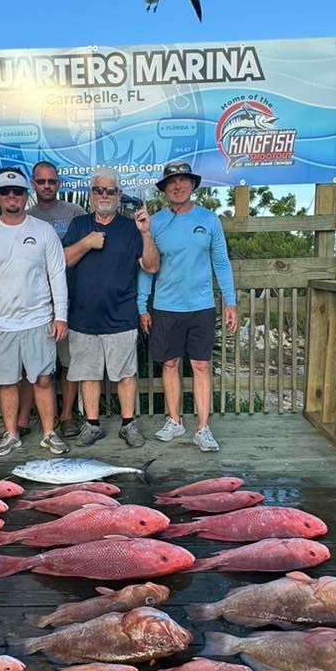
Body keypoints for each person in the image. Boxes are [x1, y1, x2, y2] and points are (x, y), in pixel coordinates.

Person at [0, 167, 69, 458]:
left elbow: (57, 275)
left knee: (44, 379)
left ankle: (49, 434)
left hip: (39, 319)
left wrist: (60, 315)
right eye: (5, 191)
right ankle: (11, 434)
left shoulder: (43, 231)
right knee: (6, 382)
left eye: (18, 191)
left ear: (27, 195)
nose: (11, 196)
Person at [136, 159, 237, 452]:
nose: (178, 186)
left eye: (183, 181)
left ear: (192, 185)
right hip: (166, 307)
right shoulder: (153, 222)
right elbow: (146, 267)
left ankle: (203, 428)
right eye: (172, 182)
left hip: (201, 306)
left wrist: (230, 301)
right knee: (169, 364)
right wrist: (142, 305)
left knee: (201, 366)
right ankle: (174, 420)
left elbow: (221, 262)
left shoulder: (209, 220)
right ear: (165, 189)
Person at [62, 166, 159, 449]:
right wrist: (87, 243)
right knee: (88, 376)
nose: (104, 195)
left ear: (119, 195)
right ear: (91, 195)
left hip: (121, 317)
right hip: (83, 318)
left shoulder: (131, 228)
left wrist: (146, 233)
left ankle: (128, 425)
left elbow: (151, 266)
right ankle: (91, 426)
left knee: (125, 375)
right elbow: (64, 260)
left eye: (111, 190)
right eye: (99, 190)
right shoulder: (79, 226)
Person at [17, 159, 86, 438]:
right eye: (41, 181)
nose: (47, 186)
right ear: (33, 185)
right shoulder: (24, 215)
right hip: (34, 306)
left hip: (72, 301)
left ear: (59, 184)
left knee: (69, 362)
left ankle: (67, 416)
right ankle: (22, 419)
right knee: (30, 367)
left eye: (52, 181)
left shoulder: (76, 212)